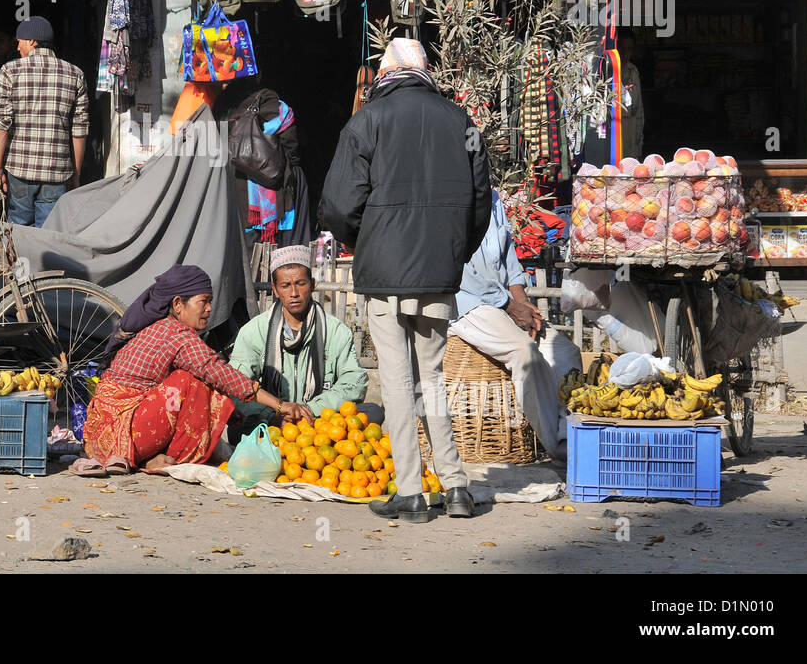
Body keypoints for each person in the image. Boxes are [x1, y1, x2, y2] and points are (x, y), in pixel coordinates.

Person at [320, 38, 491, 523]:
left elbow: (338, 205)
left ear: (389, 72)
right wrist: (453, 251)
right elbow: (480, 203)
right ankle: (456, 488)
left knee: (396, 383)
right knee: (432, 379)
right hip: (438, 274)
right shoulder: (461, 121)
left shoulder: (366, 121)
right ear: (425, 71)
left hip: (384, 277)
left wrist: (366, 242)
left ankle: (412, 493)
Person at [76, 265, 296, 475]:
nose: (209, 308)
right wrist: (280, 404)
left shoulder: (160, 328)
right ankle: (173, 456)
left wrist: (227, 409)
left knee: (195, 376)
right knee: (190, 381)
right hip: (121, 435)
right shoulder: (177, 334)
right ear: (178, 303)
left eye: (210, 301)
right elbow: (219, 372)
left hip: (99, 440)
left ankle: (148, 457)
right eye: (204, 302)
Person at [449, 191, 581, 458]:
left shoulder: (493, 198)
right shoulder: (446, 198)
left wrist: (522, 303)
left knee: (567, 352)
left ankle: (572, 435)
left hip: (502, 300)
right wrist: (509, 306)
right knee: (524, 352)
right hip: (465, 302)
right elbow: (462, 274)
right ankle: (555, 446)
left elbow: (508, 258)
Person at [229, 245, 373, 432]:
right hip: (272, 421)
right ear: (275, 289)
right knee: (237, 424)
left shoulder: (336, 330)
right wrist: (273, 413)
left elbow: (355, 381)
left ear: (312, 284)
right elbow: (236, 386)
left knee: (372, 412)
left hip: (320, 420)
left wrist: (310, 410)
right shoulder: (254, 331)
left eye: (301, 283)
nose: (294, 293)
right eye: (285, 285)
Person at [0, 16, 89, 227]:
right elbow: (79, 130)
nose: (17, 48)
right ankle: (44, 261)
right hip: (58, 169)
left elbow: (1, 123)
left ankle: (21, 261)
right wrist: (76, 174)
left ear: (32, 42)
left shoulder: (10, 71)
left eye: (20, 42)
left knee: (18, 227)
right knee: (49, 231)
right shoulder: (76, 74)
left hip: (20, 168)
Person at [213, 78, 313, 247]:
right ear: (257, 76)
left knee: (246, 249)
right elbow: (290, 145)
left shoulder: (219, 106)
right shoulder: (270, 102)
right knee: (281, 251)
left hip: (236, 188)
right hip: (273, 188)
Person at [617, 27, 645, 159]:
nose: (624, 53)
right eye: (621, 48)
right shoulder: (604, 70)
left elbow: (638, 109)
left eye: (629, 49)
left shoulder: (632, 71)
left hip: (630, 136)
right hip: (612, 135)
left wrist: (639, 140)